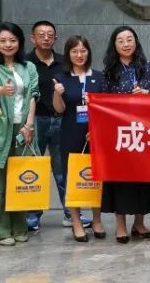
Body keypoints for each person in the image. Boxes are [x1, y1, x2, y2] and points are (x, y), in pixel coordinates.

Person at [0, 23, 39, 246]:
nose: (8, 44)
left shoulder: (28, 67)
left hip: (22, 129)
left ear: (19, 42)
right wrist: (0, 90)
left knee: (20, 182)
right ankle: (0, 231)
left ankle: (19, 227)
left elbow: (33, 94)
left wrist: (29, 125)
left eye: (12, 40)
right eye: (3, 40)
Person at [101, 25, 150, 244]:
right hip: (120, 133)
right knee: (121, 180)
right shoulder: (109, 70)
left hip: (144, 132)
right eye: (121, 41)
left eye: (129, 39)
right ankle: (120, 226)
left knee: (143, 179)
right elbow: (104, 102)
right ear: (114, 45)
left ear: (136, 42)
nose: (126, 44)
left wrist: (147, 94)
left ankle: (139, 223)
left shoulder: (148, 66)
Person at [23, 20, 79, 231]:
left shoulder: (65, 62)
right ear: (32, 38)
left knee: (63, 170)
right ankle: (32, 216)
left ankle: (71, 213)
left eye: (50, 35)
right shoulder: (25, 63)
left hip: (61, 120)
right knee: (33, 168)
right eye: (41, 35)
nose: (46, 38)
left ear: (55, 38)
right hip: (35, 121)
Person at [52, 35, 106, 242]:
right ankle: (76, 221)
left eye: (83, 50)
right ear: (68, 54)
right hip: (70, 132)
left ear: (89, 52)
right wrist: (57, 94)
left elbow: (105, 108)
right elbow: (59, 110)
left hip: (95, 133)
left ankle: (97, 219)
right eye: (74, 51)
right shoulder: (61, 77)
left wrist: (97, 129)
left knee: (96, 176)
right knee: (72, 176)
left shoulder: (99, 77)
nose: (79, 55)